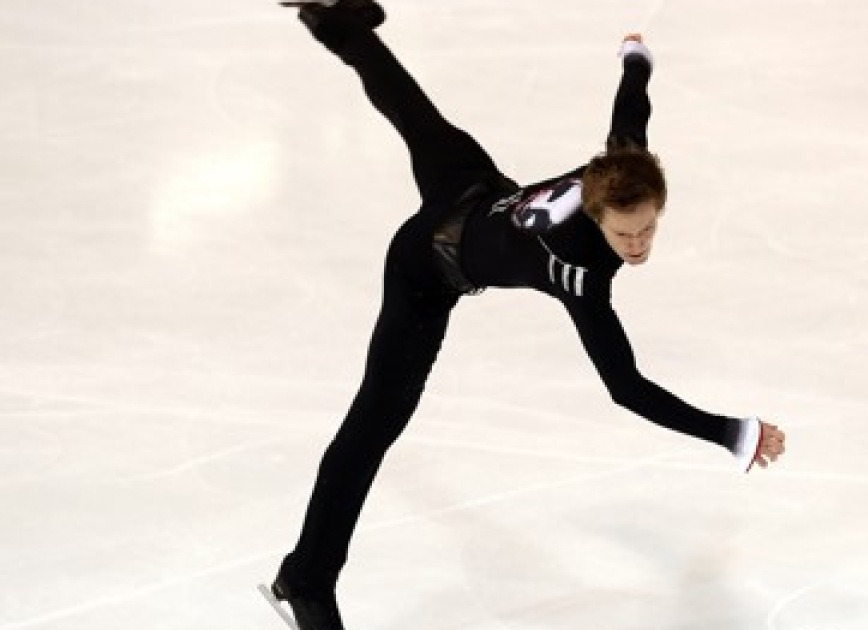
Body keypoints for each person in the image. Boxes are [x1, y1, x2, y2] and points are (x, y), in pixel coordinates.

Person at [265, 2, 787, 628]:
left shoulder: (621, 171)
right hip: (425, 267)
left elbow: (630, 116)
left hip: (476, 191)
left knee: (409, 107)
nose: (639, 244)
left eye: (648, 228)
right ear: (596, 216)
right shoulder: (580, 270)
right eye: (625, 234)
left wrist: (635, 60)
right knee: (372, 427)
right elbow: (625, 387)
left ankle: (337, 23)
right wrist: (732, 433)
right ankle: (306, 579)